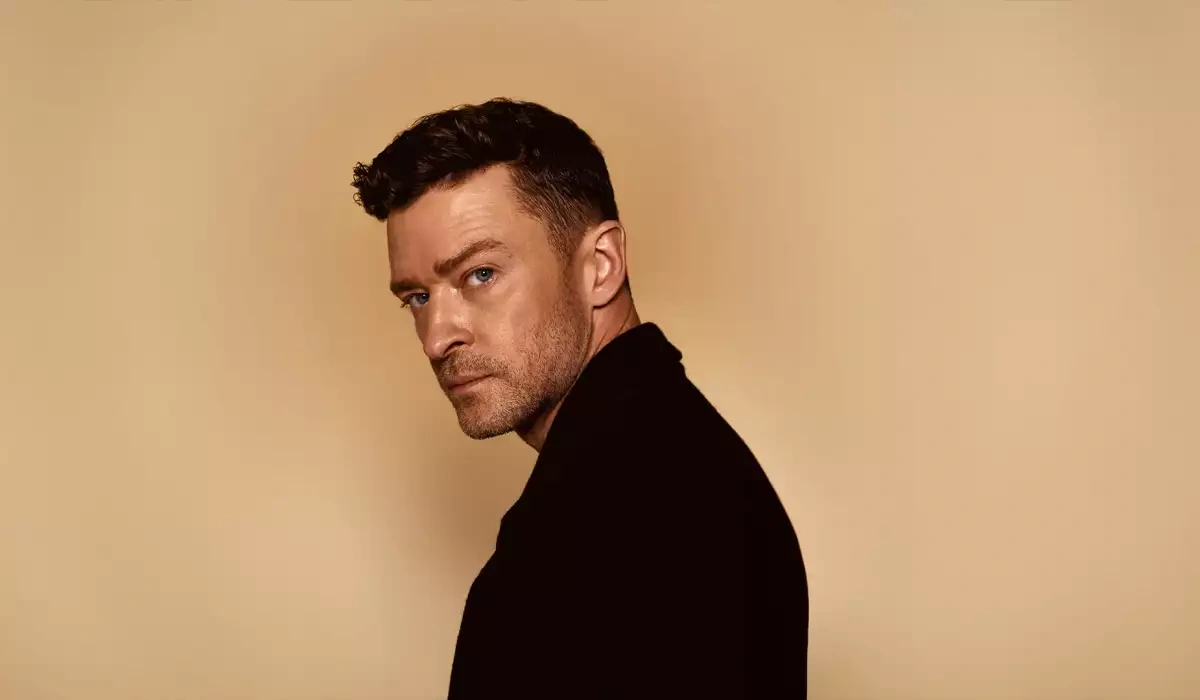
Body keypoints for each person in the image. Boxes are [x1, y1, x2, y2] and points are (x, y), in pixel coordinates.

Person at [350, 97, 808, 698]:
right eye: (417, 298)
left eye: (480, 274)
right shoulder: (670, 459)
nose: (437, 338)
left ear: (601, 265)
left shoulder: (614, 513)